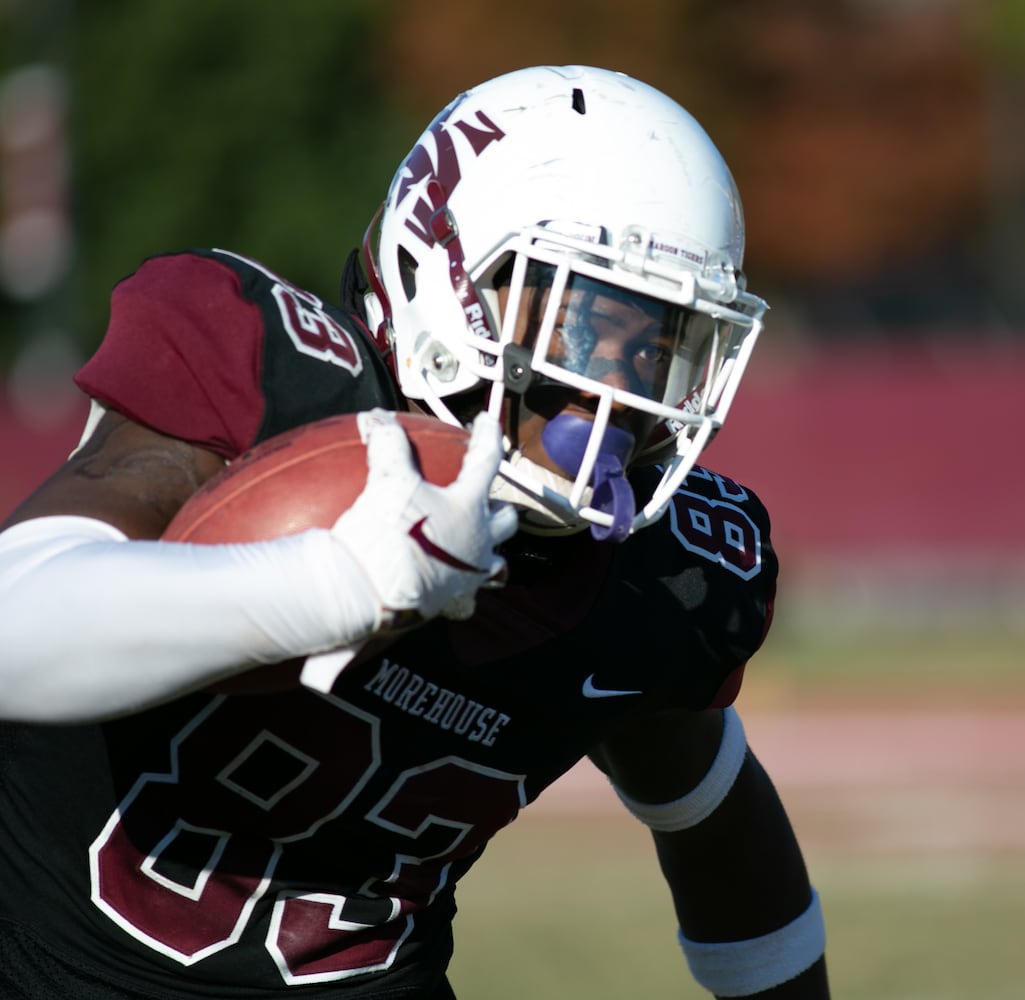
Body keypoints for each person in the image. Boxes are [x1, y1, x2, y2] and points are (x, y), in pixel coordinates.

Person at [0, 65, 828, 999]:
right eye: (587, 323)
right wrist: (328, 585)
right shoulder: (272, 382)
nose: (622, 396)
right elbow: (14, 621)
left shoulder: (651, 577)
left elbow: (714, 813)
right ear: (446, 273)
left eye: (661, 346)